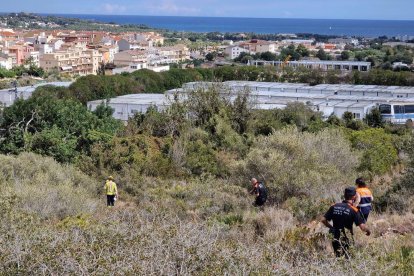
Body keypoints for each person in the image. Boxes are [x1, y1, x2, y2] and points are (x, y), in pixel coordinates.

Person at [321, 187, 371, 258]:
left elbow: (323, 220)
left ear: (344, 195)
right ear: (354, 197)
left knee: (338, 256)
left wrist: (331, 227)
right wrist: (368, 231)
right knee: (348, 257)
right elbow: (362, 227)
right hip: (346, 237)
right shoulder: (354, 210)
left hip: (334, 235)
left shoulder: (334, 206)